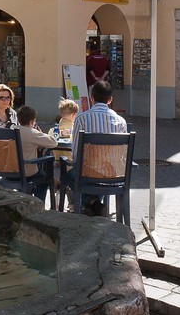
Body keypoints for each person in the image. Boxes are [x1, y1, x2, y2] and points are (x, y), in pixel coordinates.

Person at [69, 79, 128, 214]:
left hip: (87, 171)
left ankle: (91, 203)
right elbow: (122, 154)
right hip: (113, 174)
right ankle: (94, 204)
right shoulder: (121, 122)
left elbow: (76, 151)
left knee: (69, 174)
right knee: (90, 174)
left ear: (92, 98)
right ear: (110, 99)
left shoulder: (81, 118)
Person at [14, 105, 60, 203]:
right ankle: (39, 203)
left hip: (12, 170)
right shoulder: (31, 132)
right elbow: (53, 142)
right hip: (27, 171)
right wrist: (40, 133)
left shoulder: (12, 130)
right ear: (32, 121)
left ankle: (27, 196)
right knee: (45, 178)